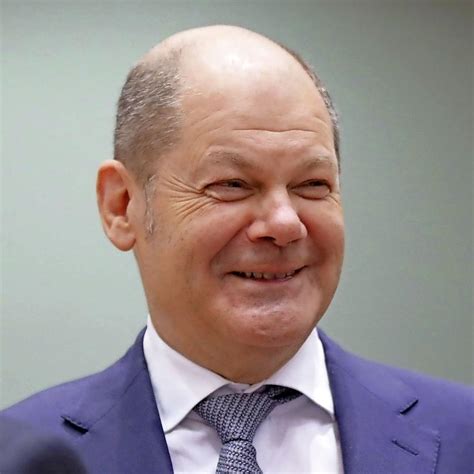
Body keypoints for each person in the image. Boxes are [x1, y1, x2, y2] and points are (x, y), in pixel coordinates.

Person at [1, 25, 472, 474]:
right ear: (121, 206)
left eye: (312, 184)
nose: (285, 224)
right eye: (232, 184)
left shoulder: (462, 436)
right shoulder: (24, 459)